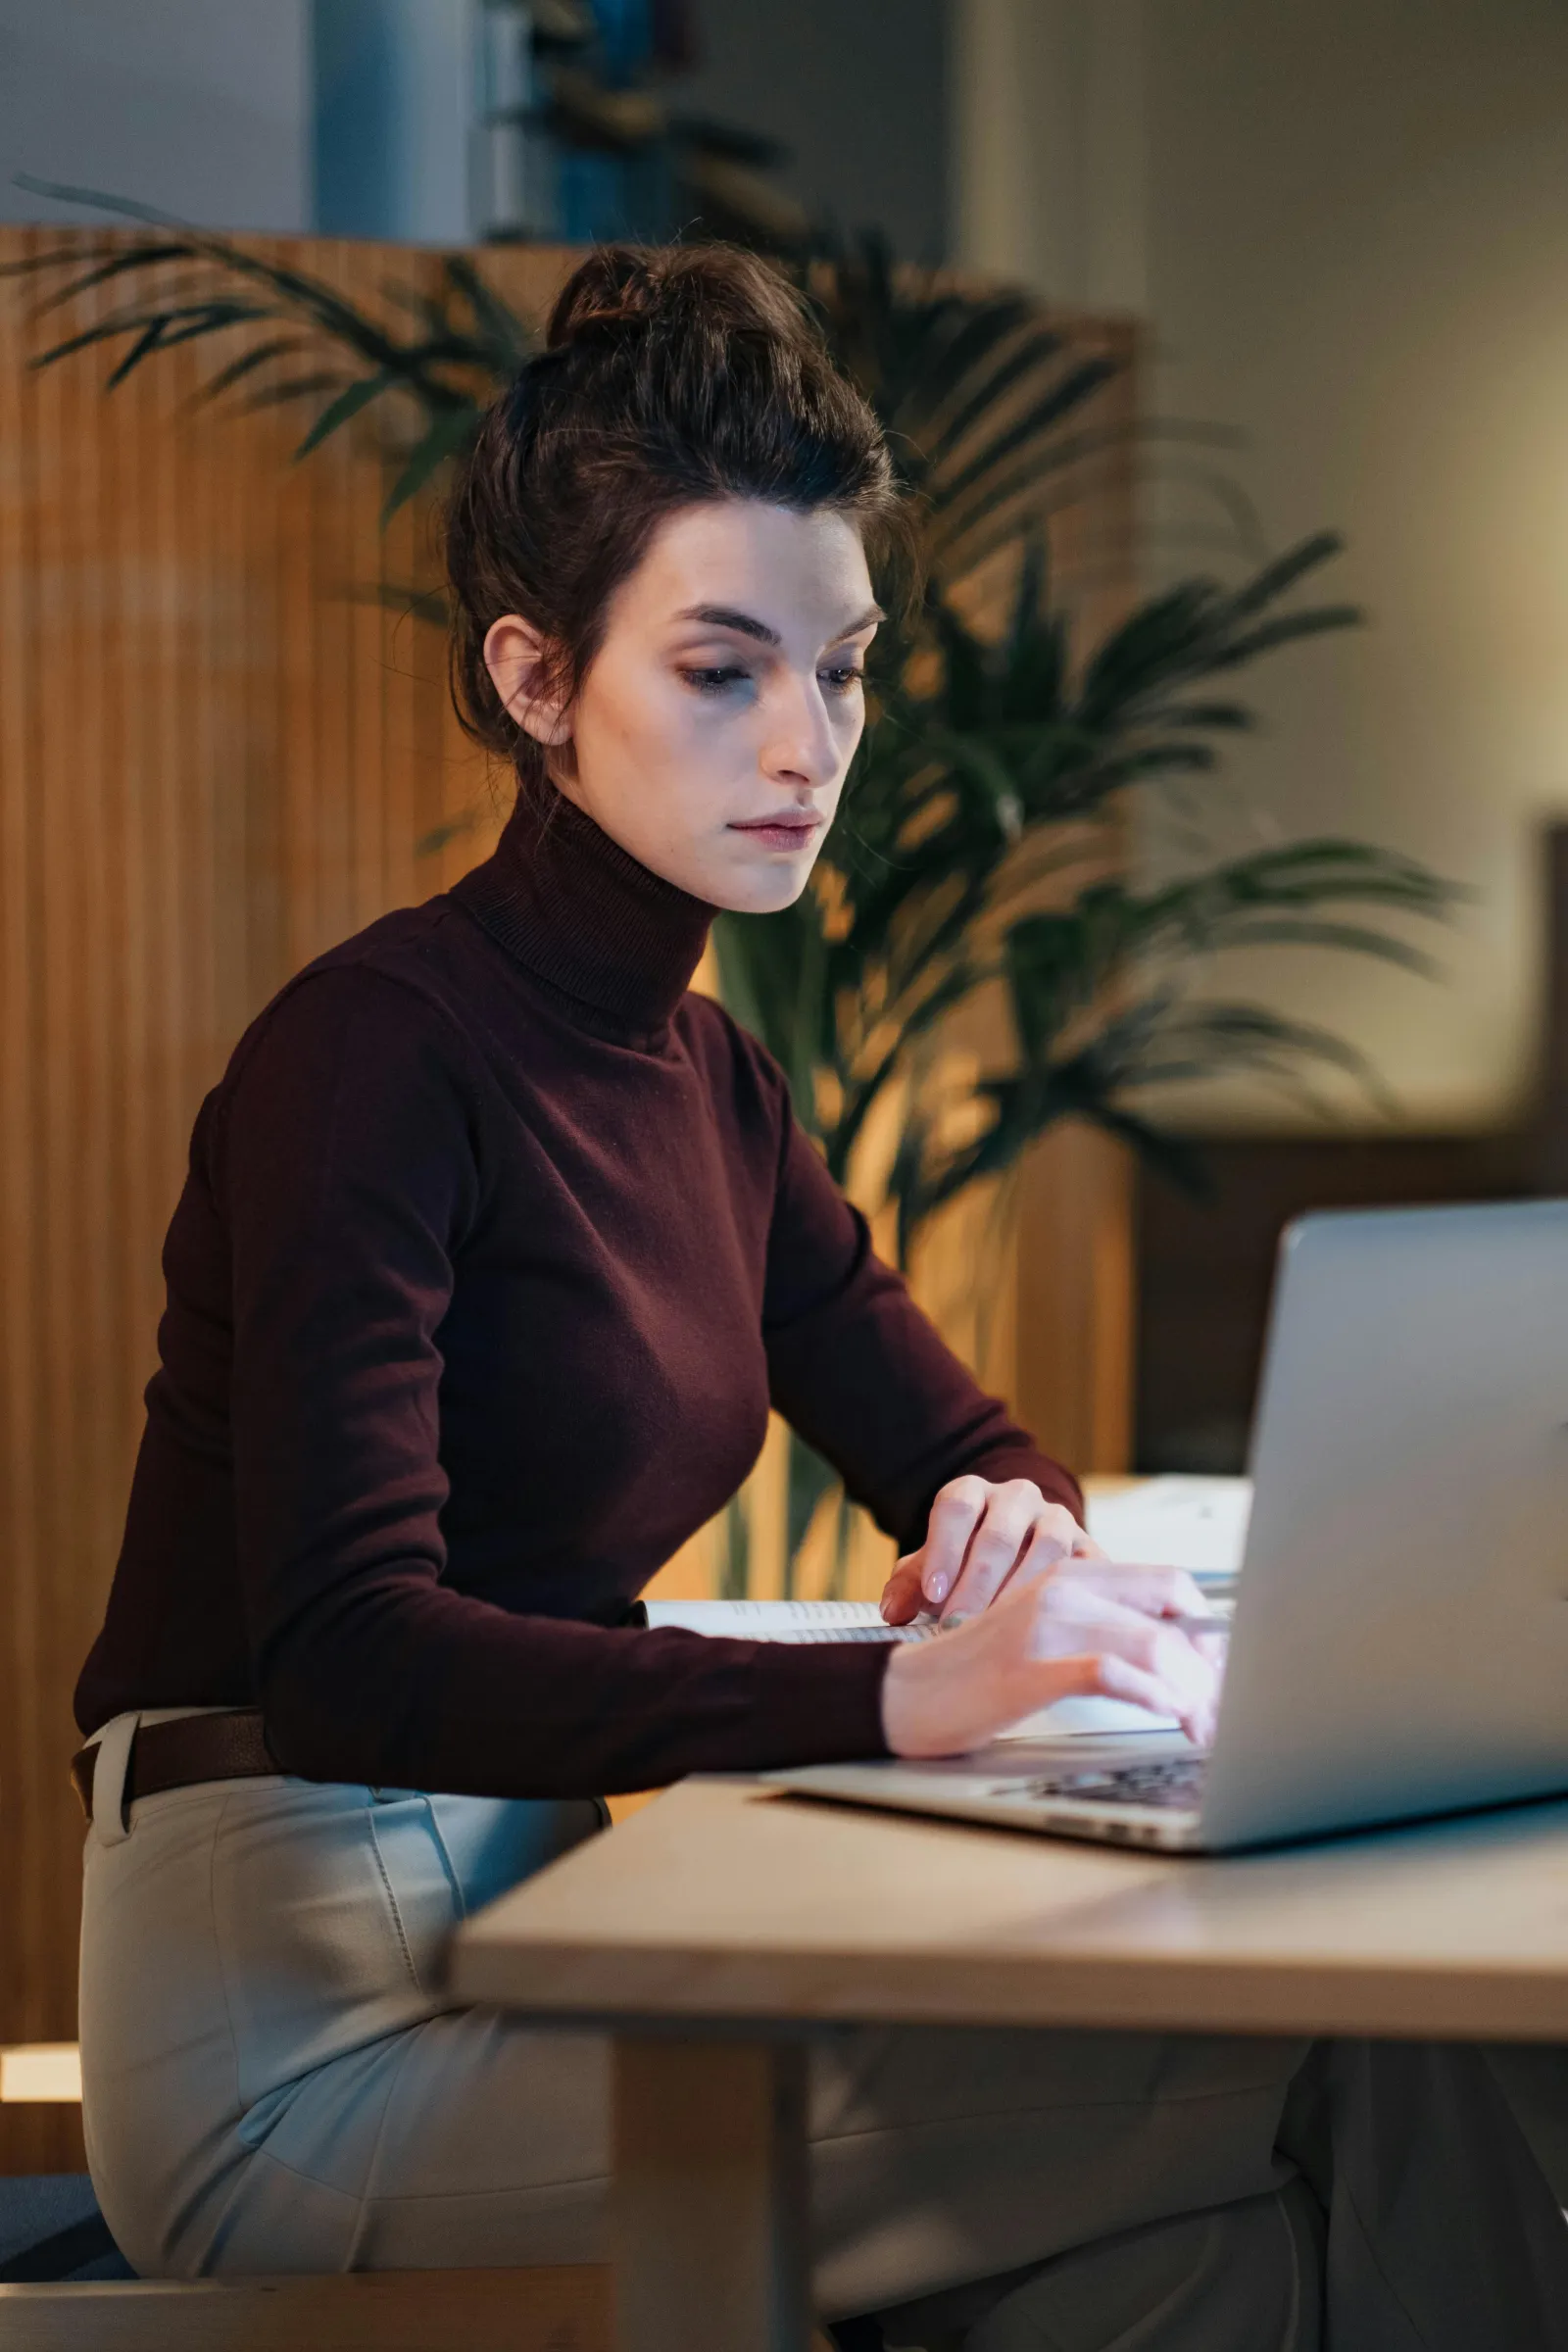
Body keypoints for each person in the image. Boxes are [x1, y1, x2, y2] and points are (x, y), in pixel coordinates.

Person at [71, 242, 1568, 2350]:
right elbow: (340, 1657)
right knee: (1378, 2050)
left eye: (843, 666)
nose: (809, 742)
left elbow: (950, 1432)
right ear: (529, 678)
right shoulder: (373, 1054)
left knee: (1208, 2271)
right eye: (719, 669)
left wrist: (1001, 1521)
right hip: (297, 2035)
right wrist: (893, 1697)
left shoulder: (711, 1077)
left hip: (532, 1924)